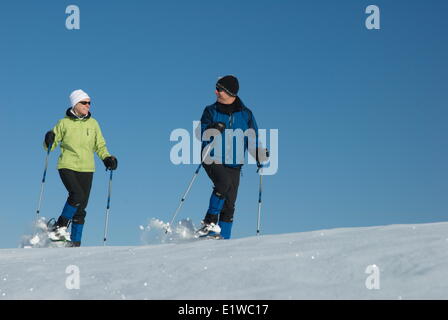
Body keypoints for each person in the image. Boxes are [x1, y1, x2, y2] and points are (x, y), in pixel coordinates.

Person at [196, 75, 268, 239]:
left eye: (219, 89)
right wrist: (213, 129)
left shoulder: (246, 115)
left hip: (235, 163)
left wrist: (258, 154)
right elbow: (202, 132)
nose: (216, 92)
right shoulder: (210, 110)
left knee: (229, 204)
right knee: (223, 183)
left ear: (230, 92)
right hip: (211, 156)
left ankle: (223, 240)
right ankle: (209, 222)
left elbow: (252, 138)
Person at [43, 89, 118, 247]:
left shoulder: (93, 124)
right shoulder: (64, 123)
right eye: (84, 102)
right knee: (76, 195)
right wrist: (49, 139)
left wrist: (107, 158)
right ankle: (59, 227)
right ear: (75, 104)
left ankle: (75, 244)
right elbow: (50, 145)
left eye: (89, 103)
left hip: (87, 168)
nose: (88, 105)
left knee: (81, 207)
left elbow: (100, 145)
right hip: (67, 165)